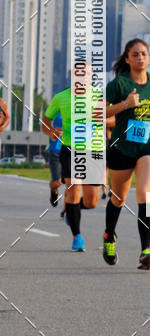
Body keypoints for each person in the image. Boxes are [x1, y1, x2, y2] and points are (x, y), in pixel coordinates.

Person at [104, 38, 150, 269]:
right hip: (121, 148)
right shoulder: (118, 84)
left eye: (143, 54)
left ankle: (146, 250)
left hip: (147, 145)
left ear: (148, 57)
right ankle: (109, 236)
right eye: (135, 54)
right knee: (118, 199)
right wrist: (125, 104)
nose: (140, 58)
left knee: (145, 193)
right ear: (127, 59)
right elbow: (99, 113)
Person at [42, 77, 104, 251]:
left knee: (92, 202)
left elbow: (113, 120)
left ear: (92, 77)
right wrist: (51, 131)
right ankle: (77, 237)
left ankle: (71, 209)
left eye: (87, 74)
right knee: (74, 188)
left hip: (94, 150)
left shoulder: (99, 96)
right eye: (79, 73)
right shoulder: (61, 97)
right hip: (69, 149)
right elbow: (45, 121)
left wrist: (100, 118)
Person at [45, 113, 63, 208]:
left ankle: (70, 207)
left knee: (72, 183)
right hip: (56, 149)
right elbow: (45, 123)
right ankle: (53, 191)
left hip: (72, 150)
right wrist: (52, 131)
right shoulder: (57, 106)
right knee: (57, 182)